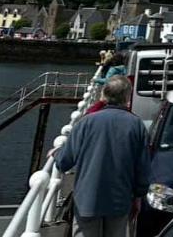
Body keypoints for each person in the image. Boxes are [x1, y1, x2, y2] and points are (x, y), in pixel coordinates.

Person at [56, 75, 151, 237]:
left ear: (104, 94)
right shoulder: (136, 125)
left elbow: (64, 162)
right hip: (120, 200)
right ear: (127, 97)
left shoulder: (86, 123)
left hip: (87, 199)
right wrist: (139, 193)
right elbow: (142, 168)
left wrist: (57, 154)